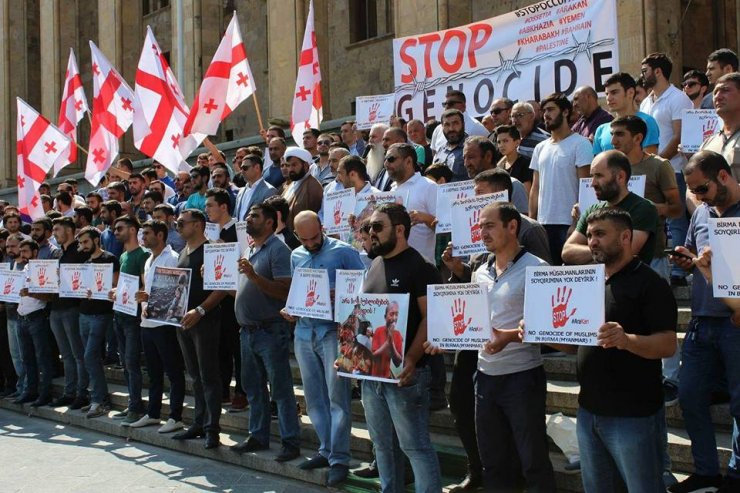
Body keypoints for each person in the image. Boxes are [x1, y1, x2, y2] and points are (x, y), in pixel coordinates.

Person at [432, 202, 556, 491]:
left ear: (512, 227)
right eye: (480, 225)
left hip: (522, 377)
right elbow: (475, 325)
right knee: (493, 460)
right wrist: (445, 339)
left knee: (533, 461)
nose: (481, 231)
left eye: (489, 225)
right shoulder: (480, 270)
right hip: (485, 379)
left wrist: (509, 336)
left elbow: (548, 329)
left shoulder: (538, 268)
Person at [561, 208, 677, 493]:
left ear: (626, 236)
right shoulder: (590, 281)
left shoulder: (651, 283)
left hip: (632, 416)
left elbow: (667, 344)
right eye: (588, 235)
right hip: (589, 412)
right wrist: (541, 335)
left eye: (600, 234)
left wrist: (626, 340)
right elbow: (577, 343)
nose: (592, 242)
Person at [668, 151, 740, 493]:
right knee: (690, 394)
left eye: (702, 189)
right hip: (701, 321)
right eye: (693, 191)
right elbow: (691, 251)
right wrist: (686, 261)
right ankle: (707, 472)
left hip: (736, 323)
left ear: (723, 176)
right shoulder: (700, 215)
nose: (697, 197)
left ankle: (736, 474)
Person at [361, 202, 442, 493]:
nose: (371, 232)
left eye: (377, 226)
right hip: (372, 375)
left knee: (415, 447)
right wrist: (350, 356)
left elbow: (431, 319)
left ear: (399, 229)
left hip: (407, 375)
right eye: (369, 227)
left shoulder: (421, 267)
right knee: (382, 446)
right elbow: (365, 319)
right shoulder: (373, 264)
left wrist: (410, 358)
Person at [281, 211, 365, 486]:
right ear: (296, 236)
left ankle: (339, 458)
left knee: (337, 397)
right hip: (304, 329)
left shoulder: (344, 252)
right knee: (314, 396)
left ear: (322, 227)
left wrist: (338, 293)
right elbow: (298, 291)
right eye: (304, 239)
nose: (311, 243)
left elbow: (363, 291)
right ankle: (325, 449)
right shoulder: (296, 255)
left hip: (333, 331)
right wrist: (291, 308)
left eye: (315, 237)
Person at [230, 203, 301, 462]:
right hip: (248, 332)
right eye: (248, 215)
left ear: (270, 222)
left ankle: (290, 442)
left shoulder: (279, 250)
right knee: (253, 388)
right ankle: (257, 436)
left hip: (270, 331)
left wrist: (254, 276)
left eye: (255, 216)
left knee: (280, 390)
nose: (249, 218)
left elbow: (285, 291)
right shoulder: (250, 249)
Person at [170, 209, 226, 449]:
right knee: (194, 375)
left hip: (205, 321)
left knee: (209, 375)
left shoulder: (213, 250)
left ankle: (212, 428)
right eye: (176, 223)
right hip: (182, 322)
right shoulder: (182, 253)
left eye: (181, 223)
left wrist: (200, 310)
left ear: (198, 225)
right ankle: (198, 423)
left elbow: (222, 287)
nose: (177, 227)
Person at [639, 52, 693, 285]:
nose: (642, 76)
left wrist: (658, 162)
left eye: (645, 71)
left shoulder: (678, 98)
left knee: (676, 219)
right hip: (649, 173)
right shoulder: (645, 101)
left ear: (657, 71)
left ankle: (679, 272)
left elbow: (680, 135)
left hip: (674, 169)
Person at [128, 220, 186, 433]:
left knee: (173, 371)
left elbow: (177, 291)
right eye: (143, 233)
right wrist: (144, 303)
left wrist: (150, 298)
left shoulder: (172, 258)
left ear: (161, 235)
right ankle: (153, 413)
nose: (143, 238)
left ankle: (176, 416)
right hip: (147, 323)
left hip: (165, 324)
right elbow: (147, 289)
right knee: (153, 372)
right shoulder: (148, 259)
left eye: (148, 233)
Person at [528, 93, 593, 265]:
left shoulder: (581, 144)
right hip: (542, 225)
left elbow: (585, 186)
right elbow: (535, 188)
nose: (546, 115)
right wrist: (532, 221)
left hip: (568, 224)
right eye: (543, 111)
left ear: (565, 112)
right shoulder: (540, 148)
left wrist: (578, 224)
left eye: (551, 110)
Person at [563, 150, 659, 264]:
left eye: (599, 176)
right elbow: (567, 251)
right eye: (592, 176)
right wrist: (604, 251)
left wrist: (588, 253)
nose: (593, 183)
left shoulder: (643, 208)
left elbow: (626, 253)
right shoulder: (592, 210)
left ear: (620, 177)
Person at [204, 188, 247, 411]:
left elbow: (246, 258)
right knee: (219, 346)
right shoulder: (208, 233)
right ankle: (222, 390)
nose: (207, 210)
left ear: (224, 206)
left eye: (210, 205)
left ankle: (241, 391)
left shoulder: (240, 229)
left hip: (235, 296)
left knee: (236, 347)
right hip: (215, 297)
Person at [110, 215, 149, 424]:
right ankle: (132, 404)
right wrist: (116, 291)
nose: (116, 232)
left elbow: (145, 287)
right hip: (120, 315)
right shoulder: (124, 255)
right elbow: (127, 286)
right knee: (125, 363)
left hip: (133, 318)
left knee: (132, 363)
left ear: (133, 230)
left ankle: (136, 407)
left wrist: (132, 293)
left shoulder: (142, 255)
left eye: (120, 228)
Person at [76, 227, 119, 418]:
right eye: (81, 243)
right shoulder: (85, 262)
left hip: (101, 315)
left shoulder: (109, 259)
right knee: (89, 358)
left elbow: (115, 288)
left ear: (96, 240)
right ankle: (99, 398)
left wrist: (101, 290)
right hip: (83, 314)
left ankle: (99, 400)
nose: (83, 246)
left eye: (85, 242)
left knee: (90, 356)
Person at [48, 216, 90, 409]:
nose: (54, 233)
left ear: (69, 230)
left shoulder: (80, 253)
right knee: (65, 354)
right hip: (55, 308)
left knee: (77, 353)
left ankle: (82, 393)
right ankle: (69, 391)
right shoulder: (57, 254)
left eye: (57, 229)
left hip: (72, 308)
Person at [15, 239, 54, 407]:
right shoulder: (21, 269)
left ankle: (45, 393)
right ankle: (30, 391)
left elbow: (50, 297)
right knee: (26, 358)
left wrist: (31, 293)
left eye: (25, 251)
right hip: (21, 317)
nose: (22, 255)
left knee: (42, 358)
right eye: (21, 251)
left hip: (37, 317)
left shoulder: (45, 269)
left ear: (35, 252)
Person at [386, 143, 438, 263]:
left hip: (421, 265)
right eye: (385, 160)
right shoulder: (392, 189)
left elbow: (444, 229)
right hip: (393, 264)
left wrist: (424, 218)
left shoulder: (429, 186)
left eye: (391, 159)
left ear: (408, 161)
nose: (386, 164)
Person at [592, 72, 660, 155]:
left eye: (614, 92)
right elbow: (598, 165)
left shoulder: (646, 122)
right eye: (607, 94)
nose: (609, 98)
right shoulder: (601, 130)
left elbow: (650, 163)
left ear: (630, 93)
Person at [700, 72, 740, 182]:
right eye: (715, 92)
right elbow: (694, 185)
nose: (718, 97)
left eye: (725, 90)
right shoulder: (708, 143)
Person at [430, 90, 488, 154]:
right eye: (445, 104)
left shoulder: (476, 127)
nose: (447, 107)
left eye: (450, 103)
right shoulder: (438, 129)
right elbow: (434, 154)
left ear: (463, 105)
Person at [281, 147, 324, 230]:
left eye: (294, 165)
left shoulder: (313, 186)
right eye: (288, 165)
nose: (290, 169)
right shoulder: (290, 185)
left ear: (305, 165)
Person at [233, 154, 278, 221]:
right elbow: (235, 217)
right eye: (241, 168)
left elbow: (270, 219)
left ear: (257, 167)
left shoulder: (269, 191)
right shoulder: (241, 192)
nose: (242, 171)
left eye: (245, 168)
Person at [495, 125, 533, 195]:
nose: (501, 145)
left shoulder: (525, 163)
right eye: (499, 142)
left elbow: (527, 194)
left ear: (517, 142)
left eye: (505, 141)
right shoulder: (500, 165)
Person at [434, 109, 469, 182]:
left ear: (463, 124)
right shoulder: (441, 150)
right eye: (446, 125)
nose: (451, 129)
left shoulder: (473, 147)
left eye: (455, 123)